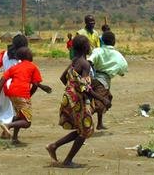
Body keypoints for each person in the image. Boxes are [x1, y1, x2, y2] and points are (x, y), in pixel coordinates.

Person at [46, 35, 110, 168]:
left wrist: (72, 88)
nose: (90, 47)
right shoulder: (85, 64)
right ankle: (67, 160)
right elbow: (86, 88)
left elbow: (63, 78)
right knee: (86, 130)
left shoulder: (74, 61)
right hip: (77, 101)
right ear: (85, 47)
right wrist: (102, 99)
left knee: (82, 129)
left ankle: (54, 146)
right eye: (88, 45)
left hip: (69, 99)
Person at [0, 47, 51, 144]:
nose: (32, 54)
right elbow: (35, 84)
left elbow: (2, 79)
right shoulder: (33, 67)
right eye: (30, 53)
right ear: (27, 56)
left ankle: (14, 138)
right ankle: (8, 126)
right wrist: (28, 96)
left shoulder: (15, 67)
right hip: (22, 94)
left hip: (11, 93)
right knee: (27, 122)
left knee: (20, 116)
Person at [88, 30, 127, 130]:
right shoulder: (118, 55)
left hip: (93, 78)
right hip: (103, 81)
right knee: (99, 104)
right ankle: (83, 123)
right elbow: (123, 69)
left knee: (105, 98)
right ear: (114, 42)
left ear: (102, 41)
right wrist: (118, 72)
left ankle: (99, 123)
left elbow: (90, 60)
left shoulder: (98, 50)